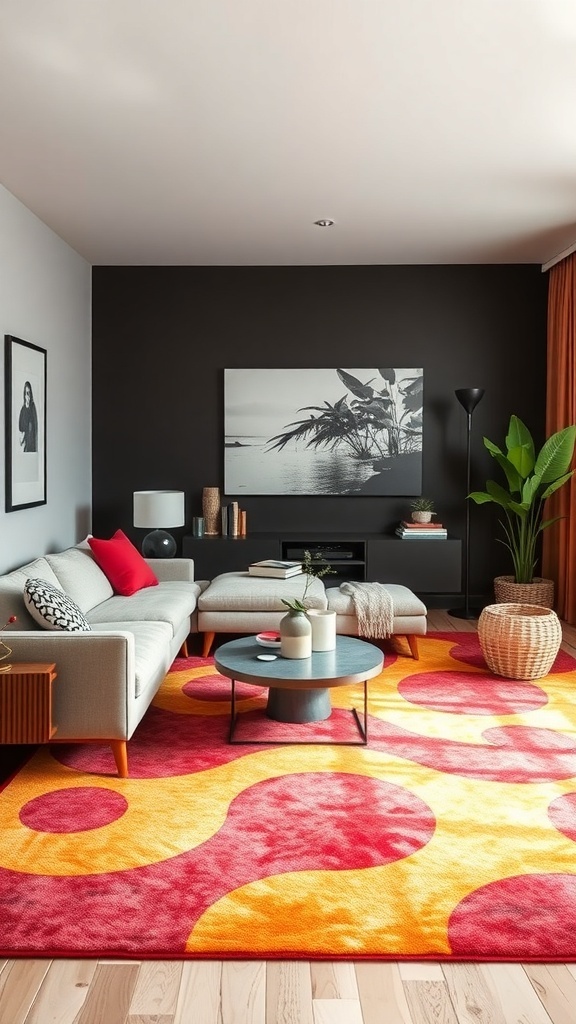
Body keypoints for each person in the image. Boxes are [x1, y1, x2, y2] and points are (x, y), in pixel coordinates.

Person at [18, 380, 38, 452]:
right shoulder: (23, 410)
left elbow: (34, 426)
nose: (28, 396)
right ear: (24, 395)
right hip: (25, 443)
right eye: (26, 393)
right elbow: (21, 426)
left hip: (32, 443)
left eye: (29, 393)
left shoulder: (32, 407)